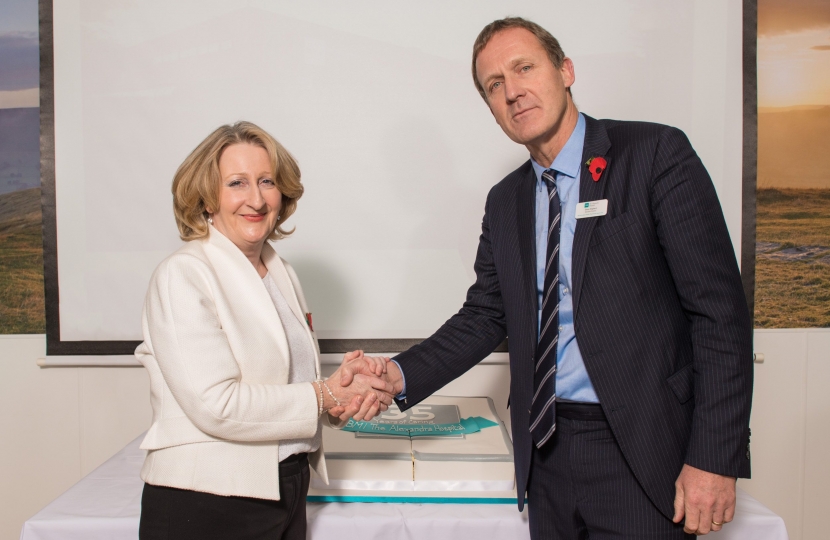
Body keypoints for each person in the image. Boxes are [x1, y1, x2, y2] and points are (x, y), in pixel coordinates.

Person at [346, 17, 753, 539]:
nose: (513, 91)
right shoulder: (506, 201)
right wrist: (397, 376)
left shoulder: (653, 156)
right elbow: (485, 315)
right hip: (545, 449)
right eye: (495, 85)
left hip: (644, 450)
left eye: (524, 68)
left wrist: (713, 458)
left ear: (565, 70)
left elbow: (719, 316)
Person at [135, 121, 393, 540]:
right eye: (236, 183)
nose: (255, 199)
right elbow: (217, 405)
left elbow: (286, 385)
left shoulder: (278, 272)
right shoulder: (183, 274)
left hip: (285, 488)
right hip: (207, 502)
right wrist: (325, 394)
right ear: (206, 198)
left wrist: (342, 395)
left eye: (267, 181)